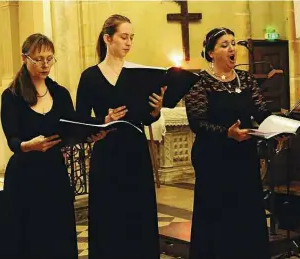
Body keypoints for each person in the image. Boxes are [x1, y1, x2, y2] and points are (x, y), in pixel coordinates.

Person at [75, 14, 164, 259]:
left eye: (131, 38)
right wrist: (103, 120)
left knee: (138, 215)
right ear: (107, 38)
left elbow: (145, 117)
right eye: (123, 37)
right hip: (107, 153)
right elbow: (80, 121)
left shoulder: (138, 74)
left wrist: (155, 111)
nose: (128, 43)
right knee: (109, 216)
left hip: (135, 152)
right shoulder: (90, 76)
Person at [184, 27, 271, 259]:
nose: (232, 48)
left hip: (244, 156)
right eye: (224, 45)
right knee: (218, 215)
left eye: (233, 43)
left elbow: (261, 111)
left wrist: (279, 127)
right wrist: (227, 134)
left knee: (246, 212)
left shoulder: (246, 79)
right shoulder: (199, 82)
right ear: (211, 53)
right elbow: (198, 122)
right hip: (213, 159)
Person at [0, 33, 78, 259]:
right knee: (29, 237)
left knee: (57, 235)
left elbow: (72, 128)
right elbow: (12, 139)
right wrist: (28, 146)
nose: (45, 65)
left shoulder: (60, 94)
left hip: (54, 173)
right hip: (24, 175)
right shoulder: (12, 96)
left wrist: (96, 129)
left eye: (50, 58)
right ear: (25, 59)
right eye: (39, 59)